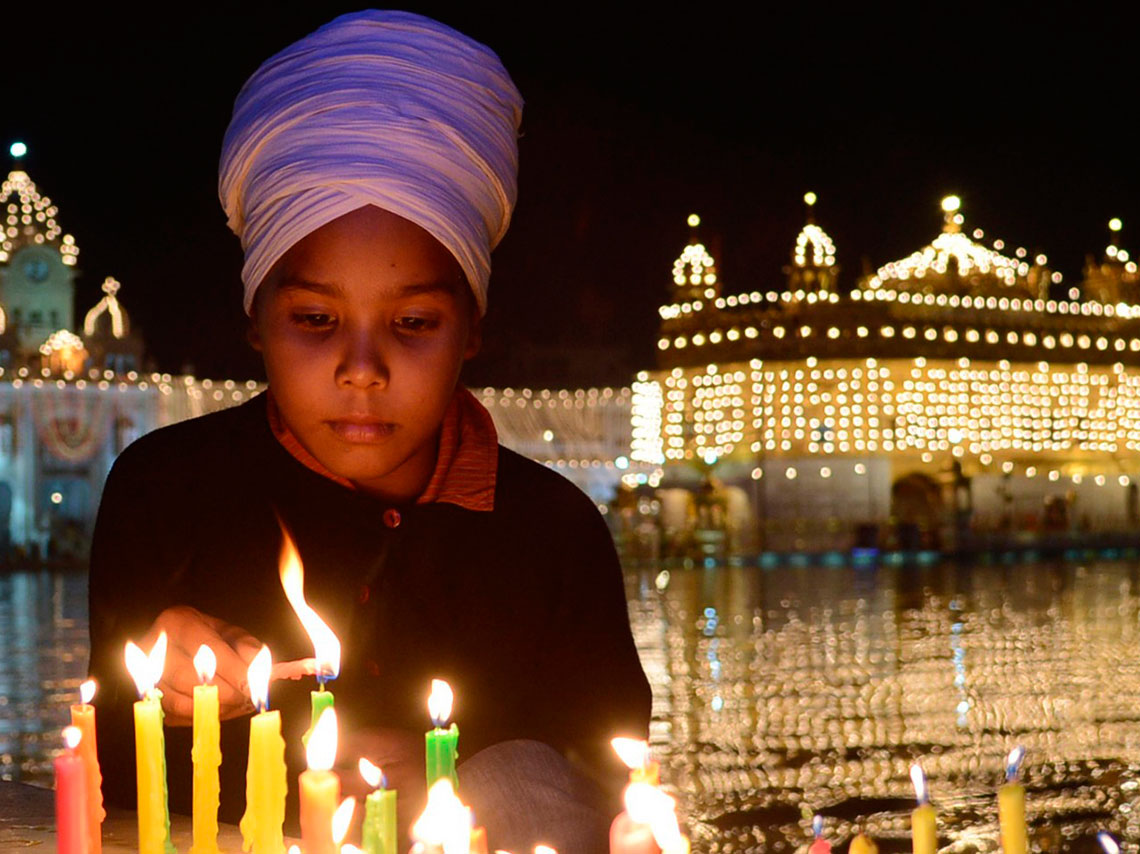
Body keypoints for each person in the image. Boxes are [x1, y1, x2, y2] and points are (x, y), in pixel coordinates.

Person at [87, 11, 651, 853]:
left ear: (472, 330)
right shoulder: (165, 492)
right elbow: (114, 780)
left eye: (414, 323)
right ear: (256, 322)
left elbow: (615, 783)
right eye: (315, 319)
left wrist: (439, 785)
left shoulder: (552, 532)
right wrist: (166, 685)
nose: (363, 369)